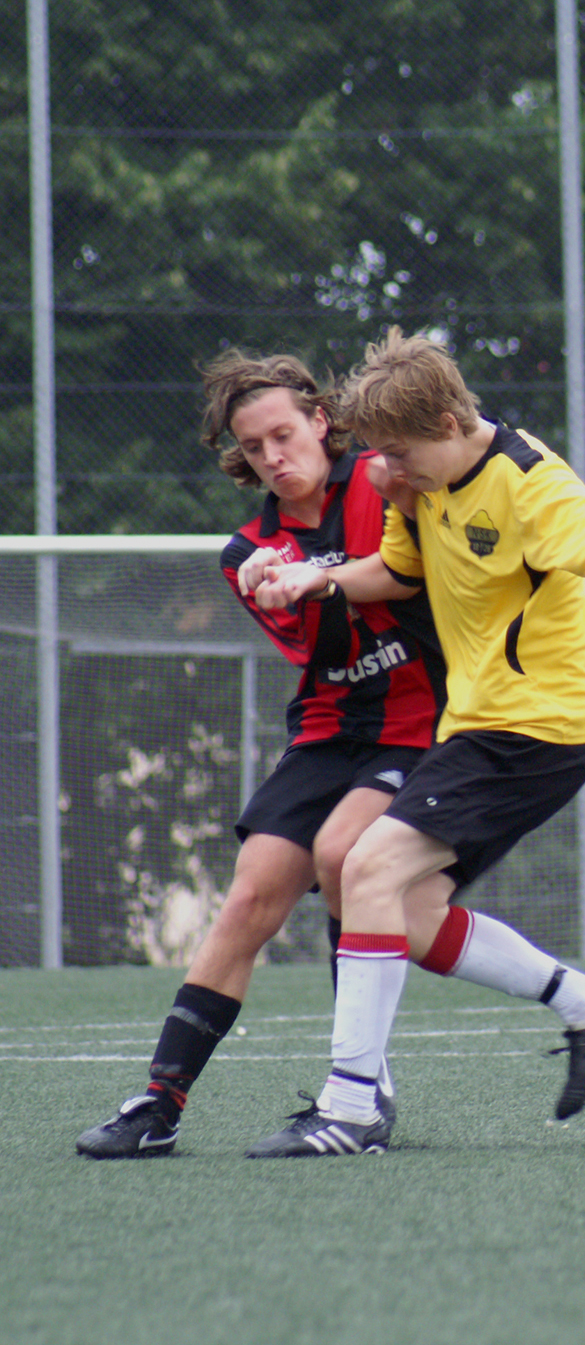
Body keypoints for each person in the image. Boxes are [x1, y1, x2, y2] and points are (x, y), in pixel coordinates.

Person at [245, 327, 585, 1157]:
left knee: (365, 867)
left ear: (452, 422)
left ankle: (351, 1107)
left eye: (400, 452)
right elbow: (400, 572)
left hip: (535, 730)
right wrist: (319, 577)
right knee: (411, 913)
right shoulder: (417, 481)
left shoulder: (528, 481)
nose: (385, 468)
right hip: (478, 726)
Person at [76, 351, 443, 1156]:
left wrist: (316, 574)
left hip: (421, 721)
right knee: (249, 897)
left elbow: (411, 580)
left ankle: (361, 1087)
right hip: (330, 729)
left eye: (284, 434)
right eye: (253, 446)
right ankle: (159, 1104)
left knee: (345, 855)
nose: (273, 456)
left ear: (321, 421)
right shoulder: (247, 550)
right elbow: (329, 645)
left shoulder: (382, 479)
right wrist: (286, 580)